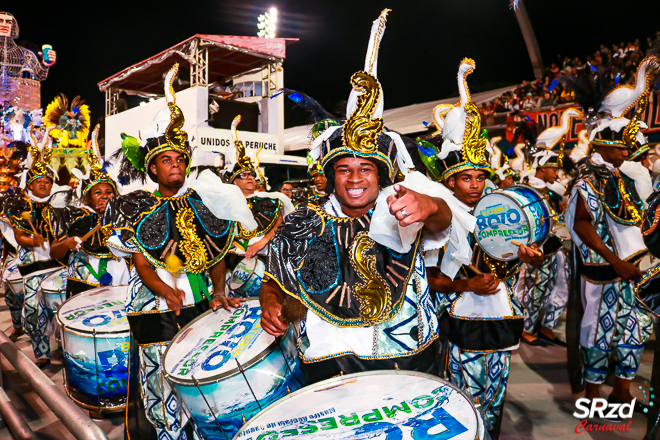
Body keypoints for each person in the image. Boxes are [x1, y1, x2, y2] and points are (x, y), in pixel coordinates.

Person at [260, 10, 472, 387]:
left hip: (409, 362)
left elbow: (442, 224)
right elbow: (275, 280)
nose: (355, 178)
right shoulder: (300, 221)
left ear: (382, 174)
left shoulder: (403, 204)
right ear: (331, 176)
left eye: (366, 169)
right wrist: (270, 304)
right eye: (344, 169)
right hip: (329, 367)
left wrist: (432, 206)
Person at [105, 64, 252, 440]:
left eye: (181, 159)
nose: (177, 165)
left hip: (201, 298)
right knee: (160, 383)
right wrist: (165, 290)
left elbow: (217, 254)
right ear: (152, 168)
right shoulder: (136, 206)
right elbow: (141, 262)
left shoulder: (205, 201)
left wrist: (219, 291)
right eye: (168, 160)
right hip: (157, 303)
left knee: (200, 376)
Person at [418, 58, 541, 438]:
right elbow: (426, 278)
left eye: (480, 176)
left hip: (497, 319)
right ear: (450, 182)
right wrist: (464, 286)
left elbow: (497, 267)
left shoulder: (498, 213)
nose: (474, 184)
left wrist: (521, 259)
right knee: (459, 402)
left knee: (495, 398)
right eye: (466, 177)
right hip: (456, 324)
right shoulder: (437, 217)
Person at [565, 56, 658, 412]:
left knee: (635, 327)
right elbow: (582, 226)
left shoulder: (627, 176)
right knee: (598, 331)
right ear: (603, 144)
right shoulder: (587, 179)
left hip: (634, 269)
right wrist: (615, 262)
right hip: (604, 273)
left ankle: (622, 389)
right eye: (619, 147)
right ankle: (592, 394)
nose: (625, 154)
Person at [1, 127, 65, 368]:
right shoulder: (22, 205)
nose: (44, 185)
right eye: (40, 182)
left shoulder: (60, 205)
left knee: (60, 311)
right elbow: (19, 237)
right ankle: (42, 353)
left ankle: (67, 349)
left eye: (48, 182)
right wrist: (33, 241)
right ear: (32, 183)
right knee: (33, 311)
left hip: (58, 267)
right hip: (33, 270)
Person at [517, 110, 582, 346]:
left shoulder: (550, 189)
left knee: (559, 288)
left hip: (556, 248)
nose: (557, 173)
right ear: (542, 168)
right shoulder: (528, 188)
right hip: (537, 250)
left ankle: (546, 326)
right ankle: (526, 328)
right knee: (535, 290)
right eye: (553, 169)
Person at [49, 125, 129, 297]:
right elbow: (54, 251)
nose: (104, 197)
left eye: (109, 192)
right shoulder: (75, 217)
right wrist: (67, 243)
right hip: (84, 281)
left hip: (120, 279)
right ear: (88, 197)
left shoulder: (124, 219)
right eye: (97, 193)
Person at [225, 115, 294, 264]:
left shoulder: (269, 199)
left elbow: (280, 222)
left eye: (251, 175)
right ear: (234, 181)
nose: (250, 178)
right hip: (234, 260)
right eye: (244, 175)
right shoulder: (226, 203)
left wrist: (261, 242)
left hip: (265, 257)